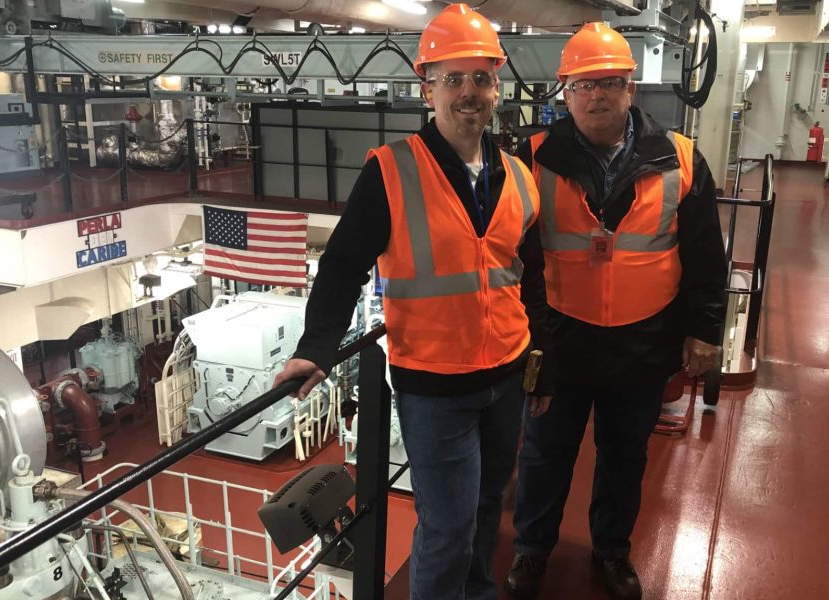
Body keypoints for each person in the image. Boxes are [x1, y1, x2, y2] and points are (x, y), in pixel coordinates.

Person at [272, 5, 554, 599]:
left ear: (496, 87)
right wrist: (316, 347)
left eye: (480, 77)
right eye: (452, 79)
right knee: (448, 525)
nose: (468, 93)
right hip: (434, 384)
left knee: (484, 509)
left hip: (507, 374)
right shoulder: (391, 172)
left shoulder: (519, 176)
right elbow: (343, 266)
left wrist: (541, 356)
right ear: (427, 88)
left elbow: (530, 276)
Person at [503, 22, 727, 600]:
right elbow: (506, 253)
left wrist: (704, 332)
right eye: (583, 85)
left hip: (643, 341)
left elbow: (705, 255)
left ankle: (611, 552)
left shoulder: (680, 159)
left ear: (631, 87)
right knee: (544, 456)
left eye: (609, 82)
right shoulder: (530, 157)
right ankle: (531, 551)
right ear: (565, 92)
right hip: (558, 339)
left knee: (625, 457)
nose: (596, 95)